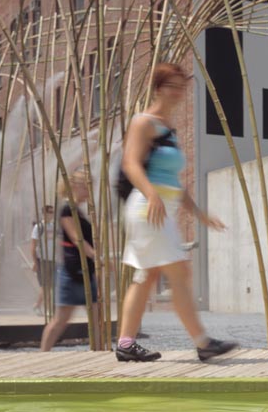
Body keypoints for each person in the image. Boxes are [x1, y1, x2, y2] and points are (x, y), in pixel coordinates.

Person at [115, 62, 236, 363]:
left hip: (160, 209)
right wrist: (151, 193)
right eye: (173, 85)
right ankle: (203, 342)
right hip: (147, 209)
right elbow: (130, 163)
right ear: (158, 88)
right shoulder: (143, 122)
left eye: (182, 86)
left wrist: (199, 213)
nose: (179, 92)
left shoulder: (168, 128)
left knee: (147, 275)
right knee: (179, 271)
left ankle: (126, 343)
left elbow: (174, 183)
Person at [41, 171, 103, 351]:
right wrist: (96, 257)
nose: (89, 191)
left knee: (96, 316)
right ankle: (42, 354)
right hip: (72, 272)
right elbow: (77, 239)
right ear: (76, 186)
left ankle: (100, 351)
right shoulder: (67, 209)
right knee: (61, 319)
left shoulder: (78, 210)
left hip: (85, 272)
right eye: (86, 186)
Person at [30, 203, 56, 313]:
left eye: (52, 212)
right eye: (49, 212)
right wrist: (35, 262)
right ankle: (37, 306)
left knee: (52, 285)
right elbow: (33, 246)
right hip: (43, 260)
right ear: (44, 213)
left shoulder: (55, 226)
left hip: (53, 260)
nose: (52, 214)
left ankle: (43, 306)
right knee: (45, 285)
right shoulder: (39, 227)